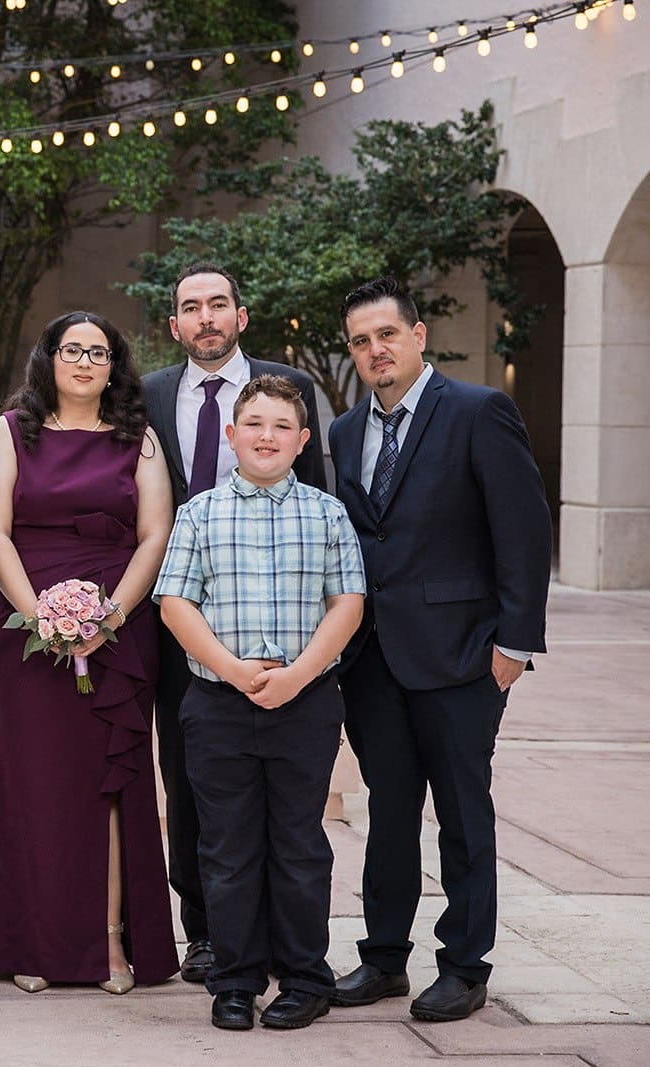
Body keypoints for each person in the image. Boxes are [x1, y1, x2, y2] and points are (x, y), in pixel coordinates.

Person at [326, 278, 551, 1023]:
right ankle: (385, 956)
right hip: (374, 658)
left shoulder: (478, 411)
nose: (374, 350)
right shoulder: (342, 431)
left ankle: (463, 963)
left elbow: (522, 529)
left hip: (463, 654)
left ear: (418, 335)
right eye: (361, 341)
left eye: (386, 334)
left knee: (462, 810)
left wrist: (515, 641)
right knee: (387, 810)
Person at [0, 312, 178, 994]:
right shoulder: (10, 431)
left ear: (115, 365)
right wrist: (41, 619)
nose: (85, 361)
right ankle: (33, 939)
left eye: (99, 352)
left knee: (110, 784)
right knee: (34, 784)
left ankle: (111, 943)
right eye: (71, 350)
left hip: (118, 625)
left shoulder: (137, 438)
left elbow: (156, 533)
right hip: (26, 630)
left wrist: (110, 614)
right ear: (49, 359)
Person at [155, 374, 366, 1031]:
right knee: (227, 846)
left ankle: (305, 976)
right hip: (218, 702)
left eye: (281, 426)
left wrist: (298, 674)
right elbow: (176, 601)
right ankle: (236, 979)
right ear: (231, 435)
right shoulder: (199, 513)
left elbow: (348, 603)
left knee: (300, 844)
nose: (267, 436)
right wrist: (235, 670)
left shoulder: (327, 514)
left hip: (303, 701)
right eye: (255, 424)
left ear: (303, 440)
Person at [140, 263, 328, 982]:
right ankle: (208, 931)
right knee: (189, 780)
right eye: (193, 308)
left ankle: (285, 933)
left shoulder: (287, 389)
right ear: (175, 325)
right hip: (182, 626)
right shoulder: (153, 394)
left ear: (241, 316)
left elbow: (318, 500)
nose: (207, 318)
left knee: (286, 799)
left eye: (219, 304)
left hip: (281, 630)